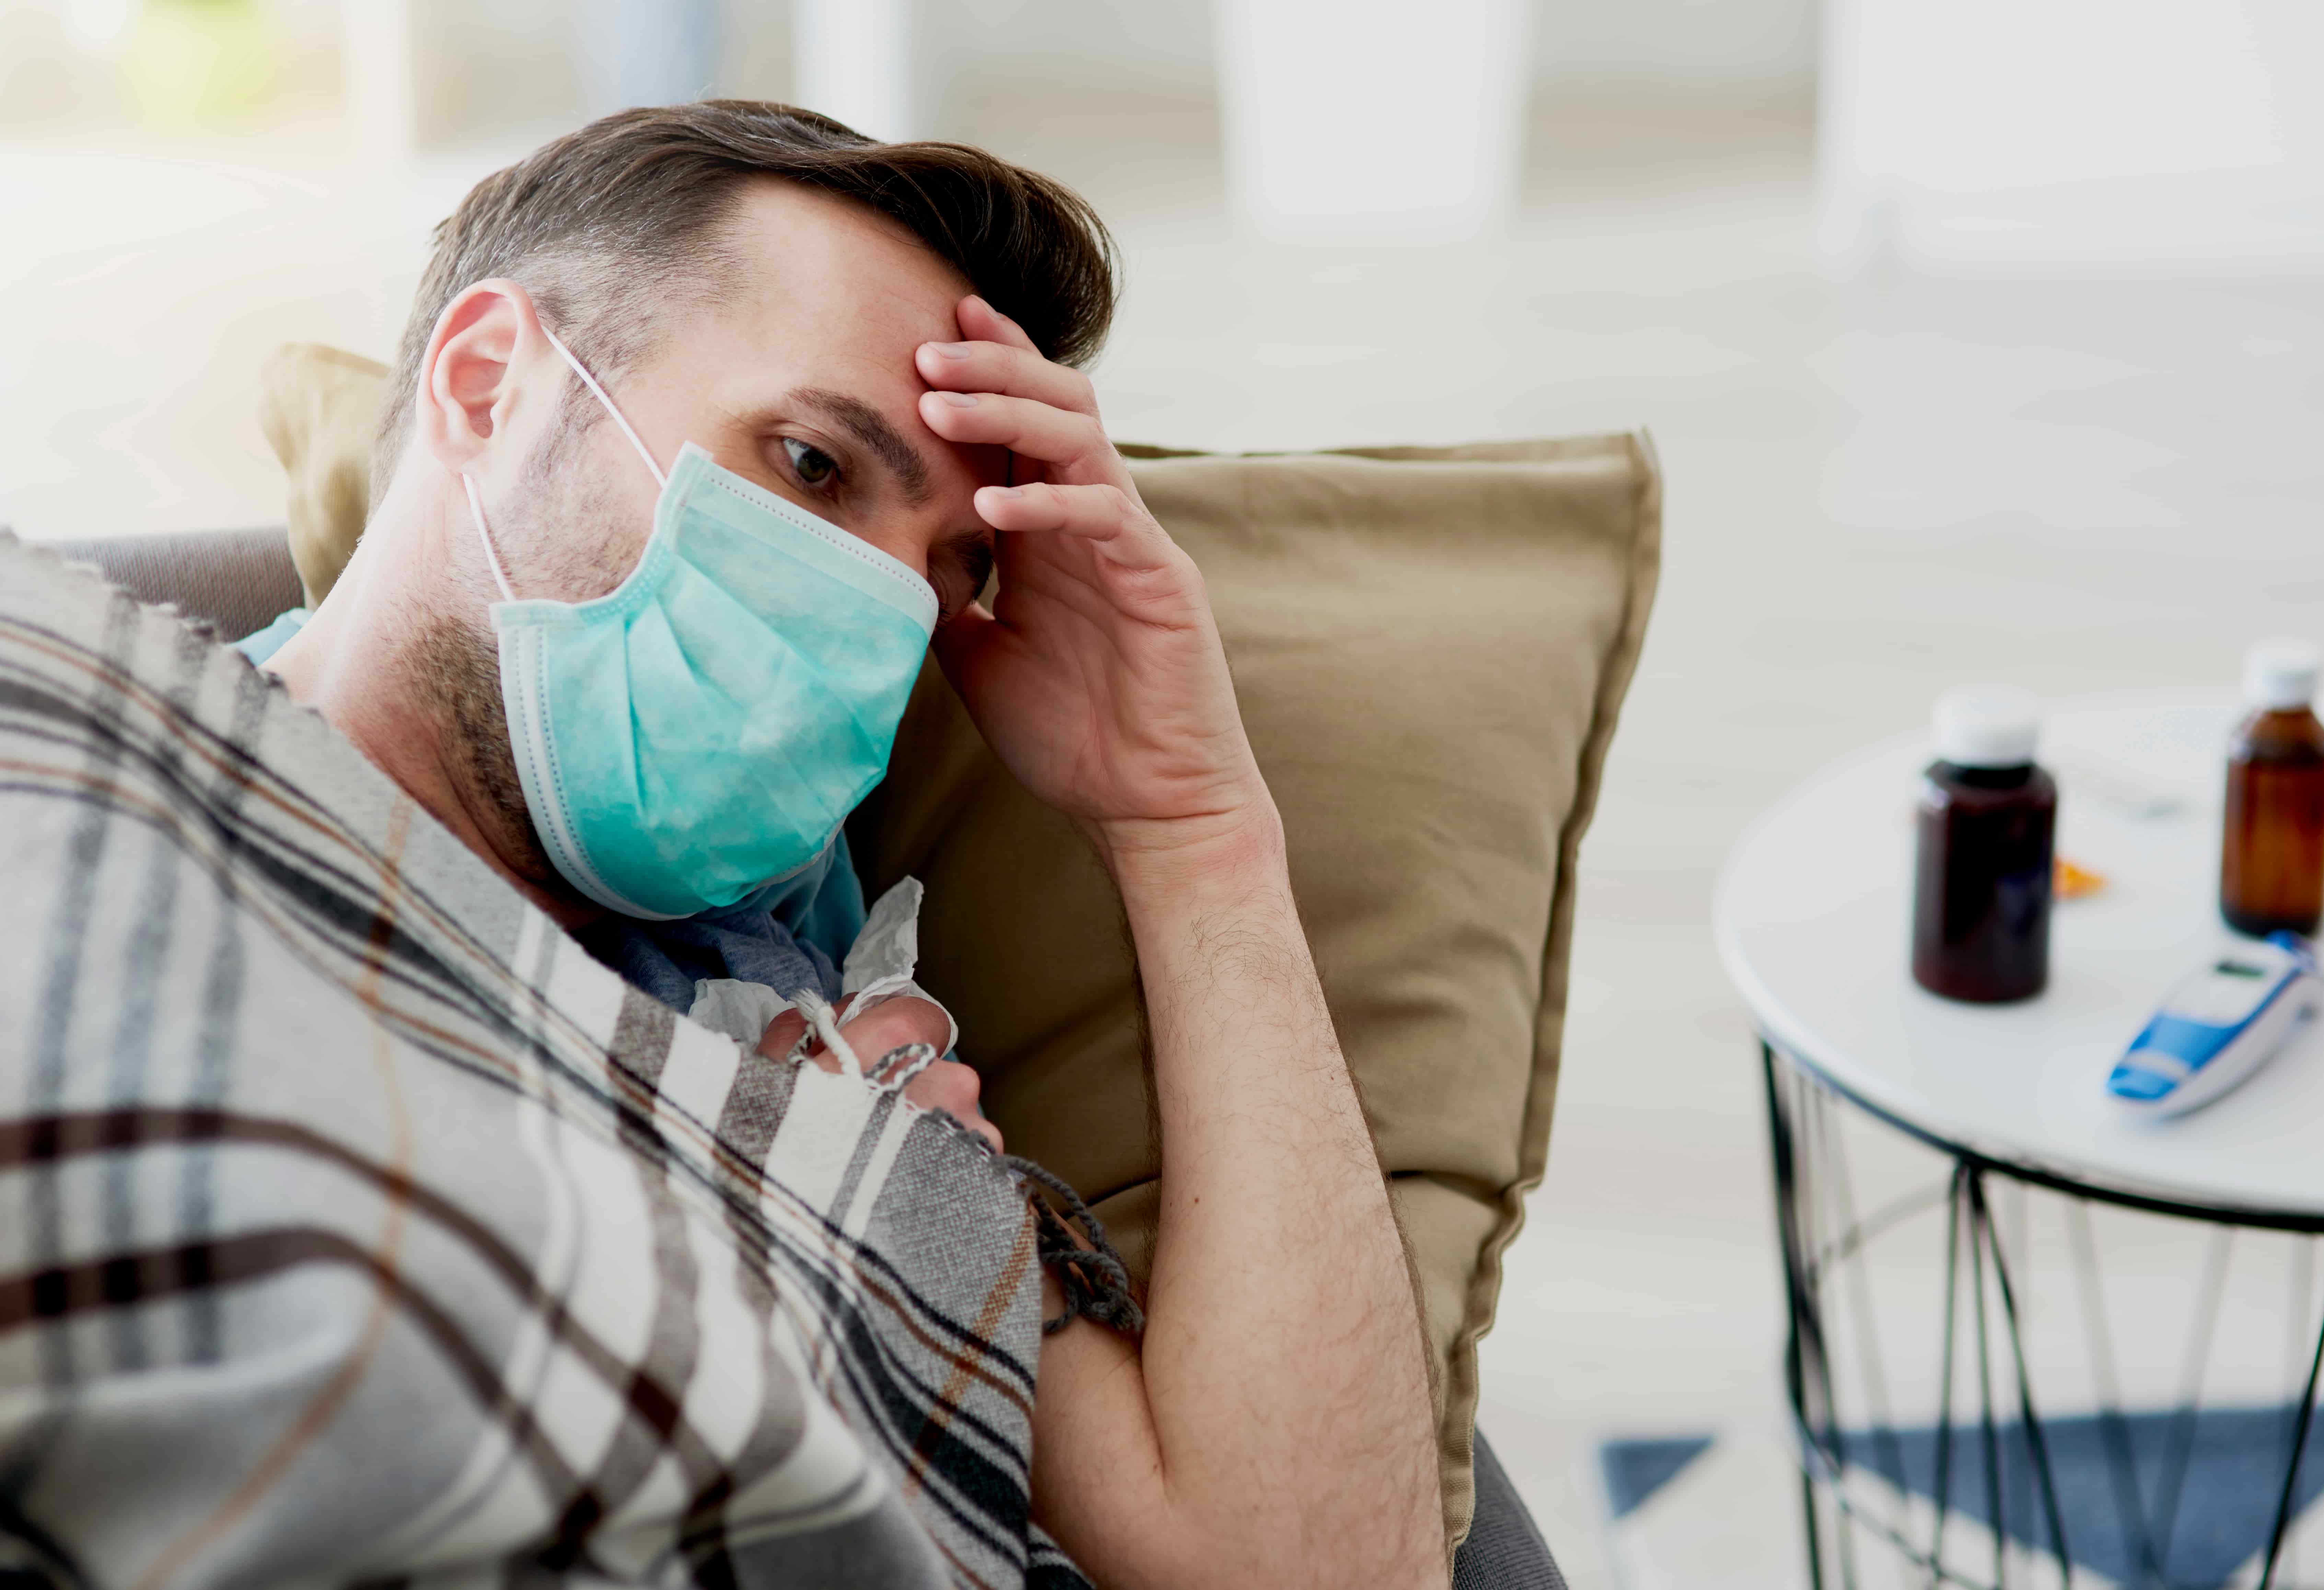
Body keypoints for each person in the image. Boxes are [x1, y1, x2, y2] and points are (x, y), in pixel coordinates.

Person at [256, 101, 1443, 1587]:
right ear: (489, 386)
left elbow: (1300, 1569)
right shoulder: (103, 808)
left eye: (954, 570)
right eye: (814, 468)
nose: (883, 618)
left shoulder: (782, 968)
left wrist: (1190, 829)